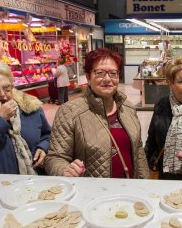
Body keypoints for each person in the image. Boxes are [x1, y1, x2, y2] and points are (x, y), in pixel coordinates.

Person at [45, 48, 149, 178]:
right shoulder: (69, 112)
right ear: (88, 77)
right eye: (99, 73)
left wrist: (145, 184)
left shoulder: (128, 108)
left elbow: (139, 152)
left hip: (128, 191)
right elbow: (55, 157)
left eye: (113, 73)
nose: (107, 79)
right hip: (91, 193)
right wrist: (64, 169)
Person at [0, 60, 50, 174]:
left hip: (34, 183)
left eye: (7, 88)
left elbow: (47, 134)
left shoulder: (30, 107)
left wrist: (43, 147)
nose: (2, 94)